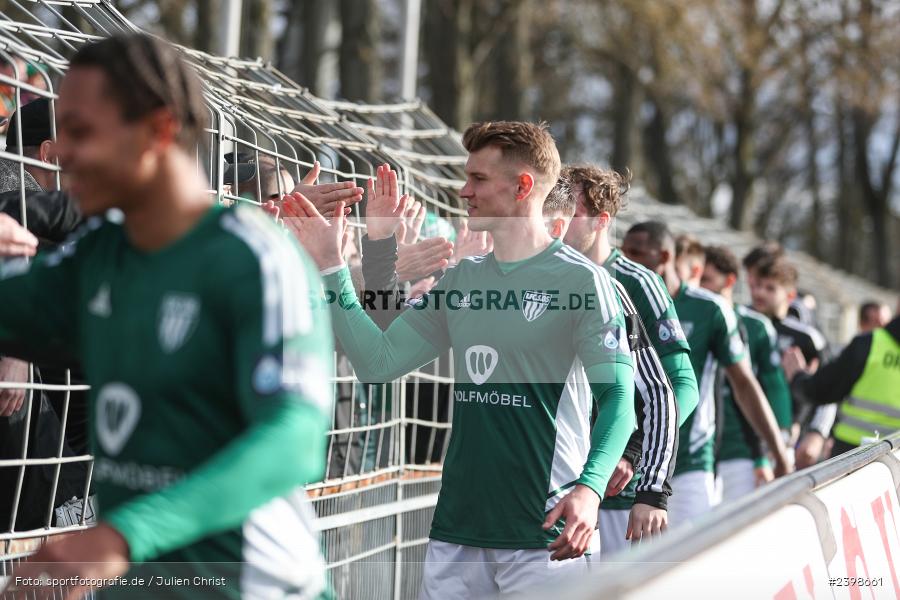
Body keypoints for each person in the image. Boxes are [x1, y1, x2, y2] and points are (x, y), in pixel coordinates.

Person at [0, 33, 334, 600]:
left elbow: (294, 442)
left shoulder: (251, 255)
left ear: (157, 130)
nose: (62, 153)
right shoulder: (102, 250)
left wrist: (121, 537)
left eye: (82, 133)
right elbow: (16, 310)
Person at [284, 120, 636, 598]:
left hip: (544, 532)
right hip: (457, 532)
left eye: (478, 179)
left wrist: (590, 490)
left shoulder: (583, 283)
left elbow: (619, 399)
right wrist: (330, 265)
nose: (463, 190)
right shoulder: (462, 280)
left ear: (523, 186)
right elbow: (378, 361)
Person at [545, 165, 698, 554]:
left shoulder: (637, 281)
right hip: (562, 477)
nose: (558, 220)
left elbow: (682, 385)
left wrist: (633, 452)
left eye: (573, 213)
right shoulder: (549, 274)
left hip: (619, 490)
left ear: (601, 221)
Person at [622, 222, 791, 526]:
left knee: (689, 567)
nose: (625, 259)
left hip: (690, 464)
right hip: (628, 463)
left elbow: (745, 383)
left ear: (663, 256)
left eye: (635, 252)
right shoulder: (619, 298)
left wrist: (777, 453)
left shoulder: (709, 309)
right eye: (623, 251)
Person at [700, 245, 792, 501]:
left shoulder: (756, 327)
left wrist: (766, 453)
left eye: (706, 279)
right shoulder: (684, 320)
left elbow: (772, 396)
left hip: (741, 455)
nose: (698, 286)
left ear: (729, 281)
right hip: (695, 458)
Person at [749, 256, 834, 469]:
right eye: (757, 285)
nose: (760, 293)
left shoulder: (807, 338)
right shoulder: (738, 323)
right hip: (742, 438)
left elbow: (829, 391)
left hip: (789, 439)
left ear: (790, 295)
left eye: (770, 288)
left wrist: (817, 433)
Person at [783, 312, 900, 456]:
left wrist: (797, 377)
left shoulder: (870, 343)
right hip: (892, 454)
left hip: (851, 453)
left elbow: (822, 389)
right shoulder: (868, 343)